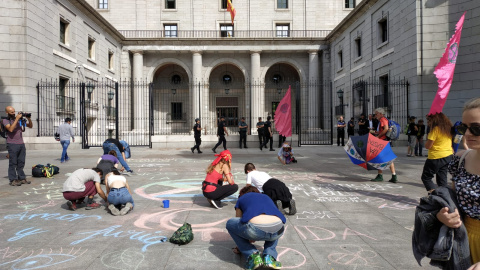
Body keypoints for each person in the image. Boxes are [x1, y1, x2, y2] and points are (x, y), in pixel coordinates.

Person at [438, 97, 480, 264]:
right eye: (464, 128)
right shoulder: (460, 160)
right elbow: (452, 202)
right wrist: (444, 215)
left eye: (476, 128)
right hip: (463, 240)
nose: (468, 134)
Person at [226, 186, 286, 270]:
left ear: (241, 194)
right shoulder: (266, 197)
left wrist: (243, 240)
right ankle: (269, 257)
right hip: (279, 229)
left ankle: (252, 256)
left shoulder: (242, 198)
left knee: (230, 223)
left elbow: (238, 220)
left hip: (256, 229)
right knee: (274, 224)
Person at [420, 112, 453, 193]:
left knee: (426, 177)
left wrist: (426, 141)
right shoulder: (448, 128)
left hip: (436, 156)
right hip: (448, 155)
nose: (428, 122)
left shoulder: (435, 129)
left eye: (429, 120)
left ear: (435, 120)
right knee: (442, 179)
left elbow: (428, 146)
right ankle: (445, 199)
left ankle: (435, 196)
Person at [3, 106, 33, 186]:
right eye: (11, 112)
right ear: (7, 112)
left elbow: (30, 126)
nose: (13, 113)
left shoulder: (20, 120)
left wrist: (28, 118)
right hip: (12, 144)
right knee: (13, 163)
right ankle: (13, 179)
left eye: (14, 111)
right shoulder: (5, 120)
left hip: (21, 144)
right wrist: (16, 119)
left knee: (21, 162)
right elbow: (10, 129)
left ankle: (22, 178)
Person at [371, 108, 398, 183]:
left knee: (379, 157)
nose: (376, 115)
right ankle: (394, 175)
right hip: (385, 141)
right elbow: (384, 129)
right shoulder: (383, 119)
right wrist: (377, 132)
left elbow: (385, 129)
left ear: (380, 113)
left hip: (382, 141)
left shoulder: (382, 119)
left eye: (376, 114)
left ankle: (380, 175)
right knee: (389, 158)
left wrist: (378, 136)